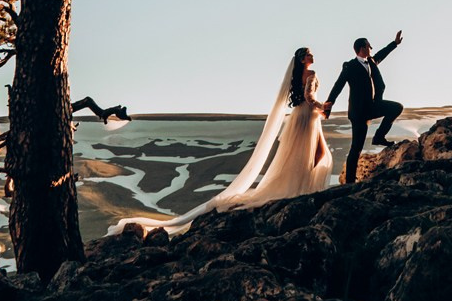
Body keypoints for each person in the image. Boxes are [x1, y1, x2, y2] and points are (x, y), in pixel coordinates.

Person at [106, 46, 332, 235]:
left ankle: (302, 185)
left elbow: (302, 98)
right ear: (304, 59)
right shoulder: (311, 75)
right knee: (318, 153)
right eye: (309, 54)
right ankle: (305, 188)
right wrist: (323, 108)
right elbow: (309, 97)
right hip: (309, 116)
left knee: (303, 152)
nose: (313, 56)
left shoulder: (297, 76)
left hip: (299, 117)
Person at [324, 31, 403, 184]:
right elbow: (338, 85)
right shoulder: (350, 66)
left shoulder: (372, 61)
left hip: (373, 105)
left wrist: (394, 44)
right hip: (359, 112)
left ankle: (379, 136)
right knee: (356, 148)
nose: (371, 48)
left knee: (396, 107)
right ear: (362, 48)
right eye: (369, 46)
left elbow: (382, 53)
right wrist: (330, 102)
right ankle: (349, 183)